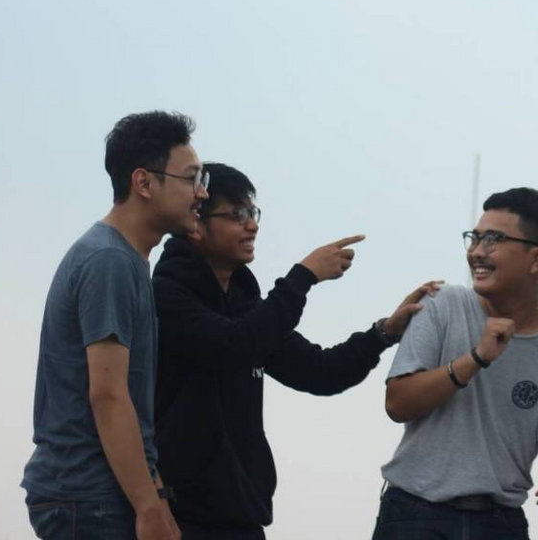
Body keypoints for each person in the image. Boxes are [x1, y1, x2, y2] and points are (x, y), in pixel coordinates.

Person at [151, 162, 439, 539]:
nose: (252, 226)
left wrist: (384, 332)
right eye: (237, 215)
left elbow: (320, 371)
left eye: (252, 213)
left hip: (242, 515)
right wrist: (303, 276)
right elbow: (231, 347)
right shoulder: (167, 295)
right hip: (177, 518)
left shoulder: (245, 305)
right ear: (196, 224)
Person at [374, 187, 538, 540]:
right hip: (414, 514)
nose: (477, 252)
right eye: (475, 238)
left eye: (493, 240)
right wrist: (476, 358)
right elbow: (398, 403)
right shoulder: (442, 303)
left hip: (501, 524)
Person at [23, 110, 206, 540]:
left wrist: (156, 494)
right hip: (90, 499)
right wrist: (148, 507)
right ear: (143, 183)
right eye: (191, 179)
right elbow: (107, 394)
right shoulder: (109, 261)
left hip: (97, 496)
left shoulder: (125, 260)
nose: (202, 193)